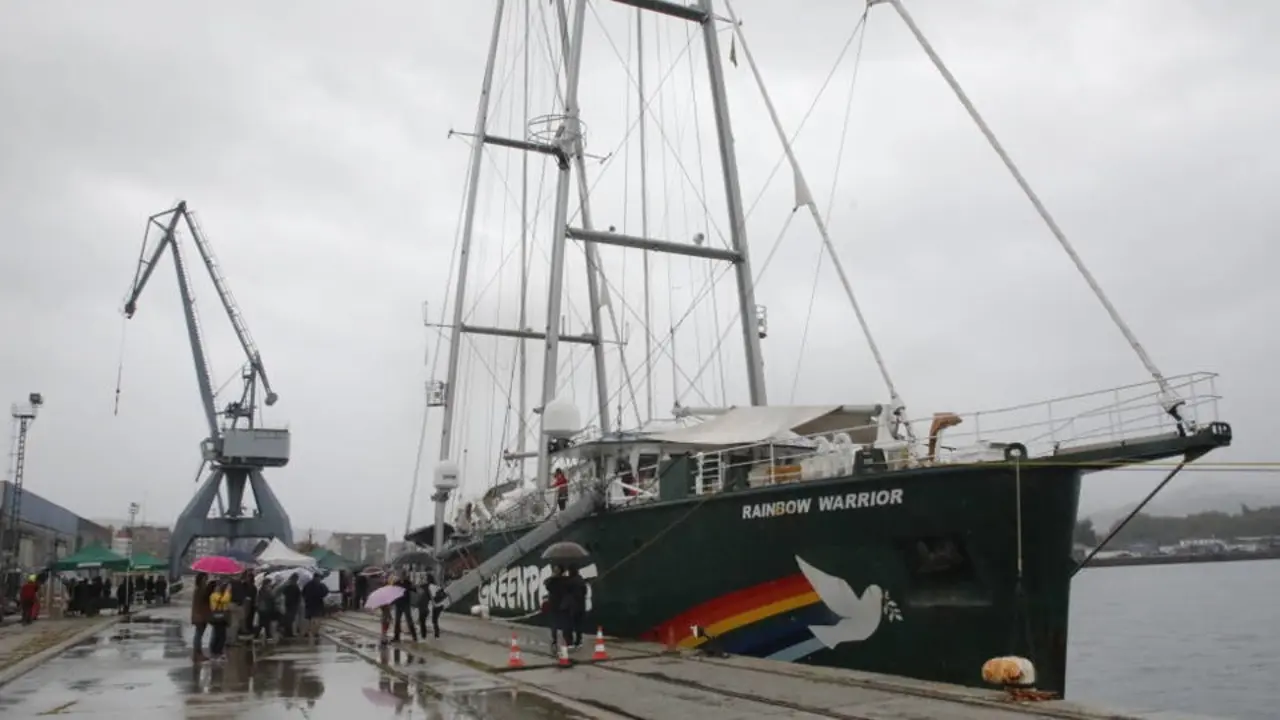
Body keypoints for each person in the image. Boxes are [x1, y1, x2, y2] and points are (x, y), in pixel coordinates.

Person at [543, 566, 572, 652]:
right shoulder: (565, 580)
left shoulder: (553, 581)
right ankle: (565, 641)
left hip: (556, 604)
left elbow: (546, 584)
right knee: (563, 624)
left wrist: (552, 577)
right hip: (561, 605)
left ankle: (556, 641)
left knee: (556, 624)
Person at [208, 579, 233, 658]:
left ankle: (216, 651)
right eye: (218, 586)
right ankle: (216, 651)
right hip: (218, 617)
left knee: (220, 634)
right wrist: (228, 591)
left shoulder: (217, 594)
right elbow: (224, 600)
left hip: (219, 617)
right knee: (220, 635)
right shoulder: (214, 595)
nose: (219, 587)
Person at [417, 573, 446, 639]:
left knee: (433, 620)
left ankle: (435, 636)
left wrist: (433, 603)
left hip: (436, 605)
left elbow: (431, 596)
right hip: (441, 605)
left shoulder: (429, 586)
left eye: (426, 578)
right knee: (434, 620)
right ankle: (436, 635)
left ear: (428, 579)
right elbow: (443, 593)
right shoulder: (436, 585)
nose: (425, 580)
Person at [301, 574, 329, 638]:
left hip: (309, 604)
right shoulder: (321, 585)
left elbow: (303, 593)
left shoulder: (307, 585)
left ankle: (307, 632)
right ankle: (315, 632)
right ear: (318, 578)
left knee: (309, 619)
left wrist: (306, 599)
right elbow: (326, 592)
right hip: (318, 604)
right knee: (317, 619)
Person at [191, 573, 213, 654]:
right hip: (200, 616)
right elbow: (204, 599)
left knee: (199, 634)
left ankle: (197, 651)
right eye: (205, 579)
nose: (206, 580)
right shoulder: (200, 590)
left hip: (200, 615)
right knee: (198, 634)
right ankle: (197, 652)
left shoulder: (200, 589)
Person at [566, 566, 587, 649]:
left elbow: (566, 592)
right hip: (581, 605)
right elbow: (585, 592)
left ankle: (570, 642)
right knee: (579, 625)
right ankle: (579, 641)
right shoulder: (581, 580)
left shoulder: (570, 581)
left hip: (572, 606)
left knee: (569, 625)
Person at [391, 574, 417, 643]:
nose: (402, 577)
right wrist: (392, 603)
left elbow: (414, 590)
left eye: (403, 575)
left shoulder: (408, 583)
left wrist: (414, 586)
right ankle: (396, 637)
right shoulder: (396, 583)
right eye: (401, 575)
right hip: (398, 604)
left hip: (406, 603)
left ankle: (414, 637)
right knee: (397, 621)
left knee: (409, 620)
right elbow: (393, 593)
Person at [255, 577, 279, 642]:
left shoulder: (262, 590)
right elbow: (270, 598)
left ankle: (259, 635)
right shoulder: (265, 591)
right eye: (269, 583)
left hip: (263, 609)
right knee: (265, 623)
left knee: (263, 623)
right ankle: (266, 635)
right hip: (265, 609)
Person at [280, 573, 302, 638]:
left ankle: (287, 632)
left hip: (288, 604)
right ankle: (289, 633)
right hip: (293, 605)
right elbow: (299, 596)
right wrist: (298, 603)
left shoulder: (287, 586)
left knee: (288, 619)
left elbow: (283, 594)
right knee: (291, 619)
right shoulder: (296, 587)